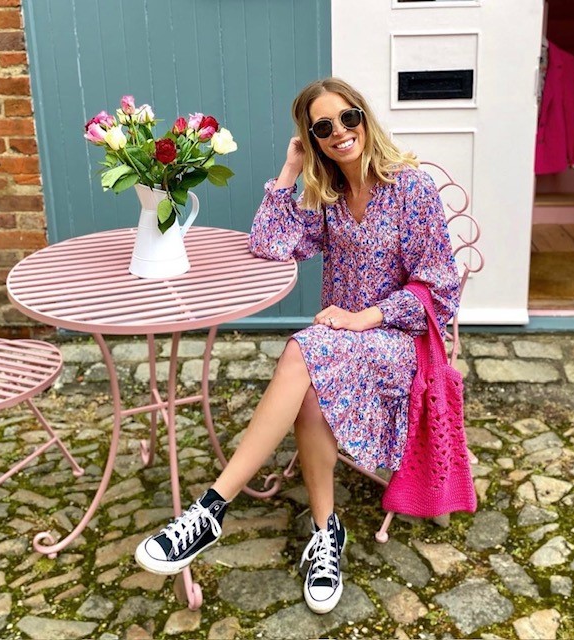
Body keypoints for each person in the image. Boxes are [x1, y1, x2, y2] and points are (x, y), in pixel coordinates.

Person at [135, 77, 460, 615]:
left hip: (398, 342)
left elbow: (438, 288)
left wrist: (364, 318)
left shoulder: (412, 188)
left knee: (300, 352)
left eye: (348, 118)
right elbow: (268, 244)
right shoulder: (328, 192)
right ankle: (327, 532)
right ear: (313, 138)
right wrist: (288, 171)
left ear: (364, 117)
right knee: (309, 384)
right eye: (323, 128)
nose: (340, 133)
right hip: (337, 339)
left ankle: (211, 509)